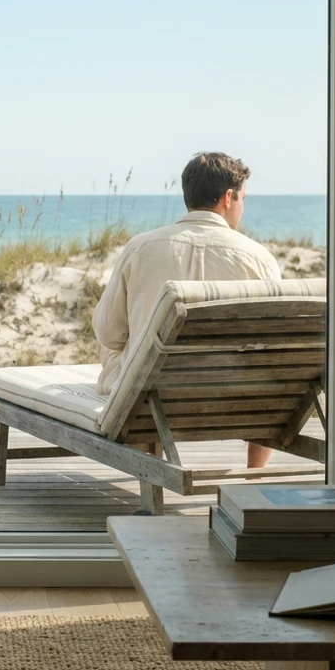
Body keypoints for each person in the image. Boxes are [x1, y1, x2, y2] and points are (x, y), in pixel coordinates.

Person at [91, 152, 282, 468]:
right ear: (228, 197)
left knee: (118, 342)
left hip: (153, 397)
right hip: (237, 397)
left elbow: (109, 335)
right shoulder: (258, 259)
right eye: (243, 199)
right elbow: (272, 346)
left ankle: (149, 468)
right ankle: (255, 475)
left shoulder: (140, 247)